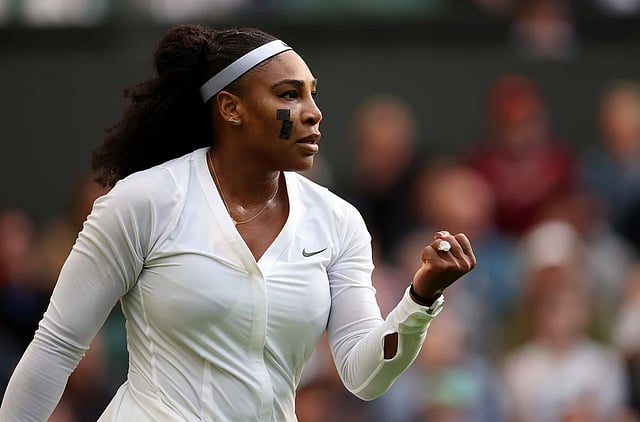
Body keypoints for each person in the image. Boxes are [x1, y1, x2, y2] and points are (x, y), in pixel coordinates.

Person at [0, 24, 476, 421]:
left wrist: (421, 297)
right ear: (230, 108)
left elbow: (364, 376)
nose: (313, 113)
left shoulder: (338, 221)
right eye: (289, 95)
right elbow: (56, 348)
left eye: (312, 94)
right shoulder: (142, 202)